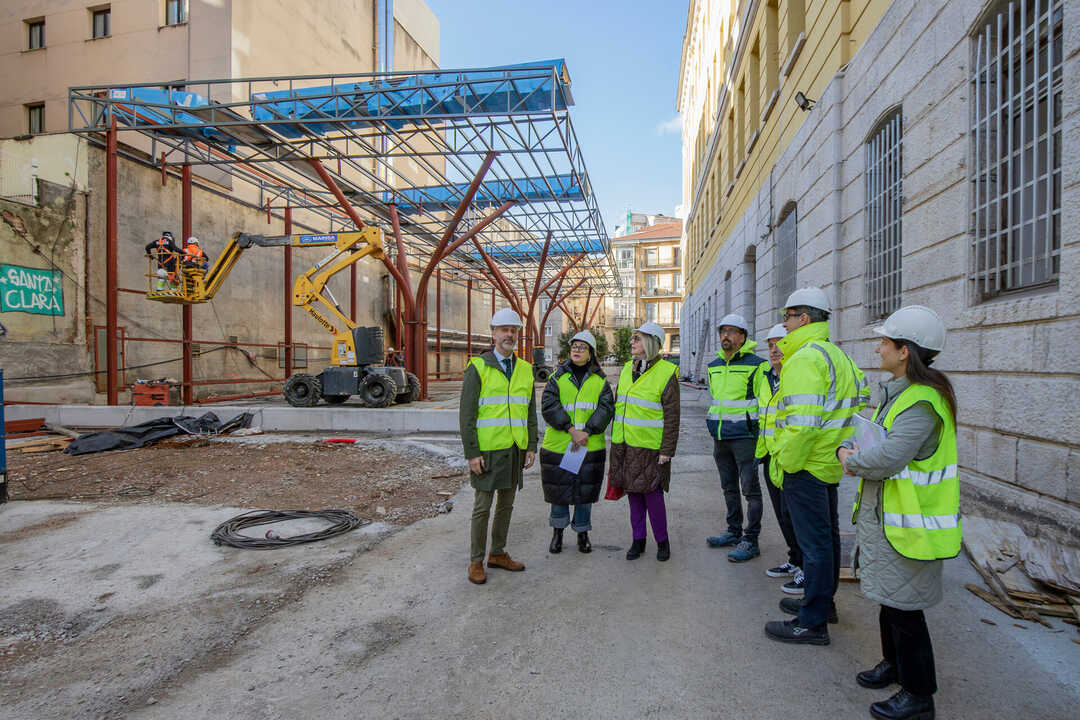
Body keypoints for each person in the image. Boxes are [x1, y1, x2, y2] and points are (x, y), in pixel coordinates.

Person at [837, 306, 960, 720]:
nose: (879, 349)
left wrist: (849, 458)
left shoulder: (922, 403)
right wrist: (857, 448)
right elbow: (882, 444)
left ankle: (919, 695)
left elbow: (888, 458)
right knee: (890, 602)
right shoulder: (902, 394)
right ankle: (894, 665)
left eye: (885, 343)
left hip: (911, 528)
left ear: (905, 351)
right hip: (890, 520)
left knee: (906, 611)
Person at [764, 287, 869, 646]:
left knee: (815, 545)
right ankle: (823, 604)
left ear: (804, 318)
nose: (784, 324)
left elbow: (803, 426)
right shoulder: (837, 355)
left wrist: (786, 463)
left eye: (788, 317)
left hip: (806, 465)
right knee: (826, 540)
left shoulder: (804, 359)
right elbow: (862, 395)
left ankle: (812, 623)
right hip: (827, 462)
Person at [459, 308, 537, 585]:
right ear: (493, 334)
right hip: (488, 450)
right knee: (482, 507)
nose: (509, 335)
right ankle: (476, 561)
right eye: (504, 330)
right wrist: (472, 453)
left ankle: (498, 553)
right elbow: (467, 415)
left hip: (514, 448)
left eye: (513, 330)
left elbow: (529, 410)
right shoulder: (478, 367)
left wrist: (531, 445)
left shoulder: (525, 369)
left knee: (506, 505)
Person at [607, 322, 680, 561]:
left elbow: (672, 416)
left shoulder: (666, 372)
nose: (631, 342)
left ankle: (662, 541)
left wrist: (667, 450)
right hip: (625, 445)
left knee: (653, 498)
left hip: (651, 448)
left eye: (636, 338)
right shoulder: (627, 369)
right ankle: (638, 540)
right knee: (633, 496)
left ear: (650, 342)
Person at [539, 329, 614, 554]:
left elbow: (606, 409)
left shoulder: (600, 381)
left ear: (591, 353)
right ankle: (558, 533)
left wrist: (587, 431)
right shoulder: (556, 378)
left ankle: (583, 533)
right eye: (574, 346)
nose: (577, 350)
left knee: (584, 494)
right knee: (559, 493)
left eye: (582, 347)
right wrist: (571, 430)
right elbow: (549, 406)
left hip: (588, 447)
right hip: (560, 446)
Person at [704, 313, 770, 563]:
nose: (726, 336)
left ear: (743, 337)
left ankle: (751, 540)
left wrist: (760, 437)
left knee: (750, 490)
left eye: (731, 331)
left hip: (745, 437)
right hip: (720, 436)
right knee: (728, 487)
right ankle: (733, 531)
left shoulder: (758, 365)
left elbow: (764, 403)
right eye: (723, 331)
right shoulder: (713, 366)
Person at [754, 323, 804, 590]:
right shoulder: (766, 377)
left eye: (780, 344)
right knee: (783, 515)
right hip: (770, 457)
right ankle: (795, 559)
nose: (774, 350)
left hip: (792, 458)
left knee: (796, 517)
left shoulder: (798, 376)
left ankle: (806, 568)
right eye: (771, 345)